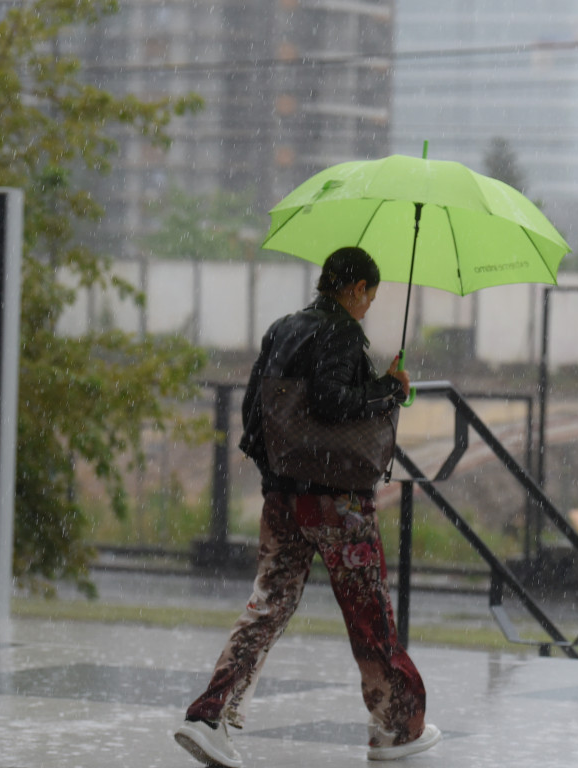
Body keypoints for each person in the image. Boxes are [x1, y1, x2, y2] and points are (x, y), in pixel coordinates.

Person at [174, 247, 441, 767]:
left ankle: (209, 716)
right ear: (358, 288)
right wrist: (389, 387)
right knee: (369, 614)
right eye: (369, 296)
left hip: (284, 497)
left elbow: (257, 413)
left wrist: (282, 477)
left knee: (268, 605)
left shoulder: (282, 329)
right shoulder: (341, 333)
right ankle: (396, 729)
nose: (367, 308)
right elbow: (331, 403)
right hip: (338, 502)